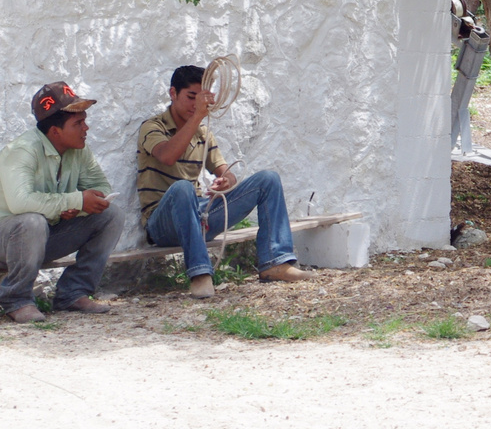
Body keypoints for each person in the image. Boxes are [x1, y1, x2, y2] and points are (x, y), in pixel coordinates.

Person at [138, 65, 312, 298]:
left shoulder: (203, 133)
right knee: (181, 189)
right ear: (173, 94)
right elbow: (168, 156)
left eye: (201, 99)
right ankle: (200, 273)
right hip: (162, 224)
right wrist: (198, 116)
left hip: (199, 216)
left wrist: (225, 181)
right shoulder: (152, 127)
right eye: (191, 97)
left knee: (268, 180)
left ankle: (275, 263)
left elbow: (226, 173)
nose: (196, 105)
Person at [0, 83, 124, 323]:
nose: (86, 128)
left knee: (112, 215)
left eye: (84, 121)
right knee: (31, 222)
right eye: (78, 124)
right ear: (55, 131)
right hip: (7, 240)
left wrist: (75, 208)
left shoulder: (79, 149)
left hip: (41, 238)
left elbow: (102, 188)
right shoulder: (22, 150)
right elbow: (20, 202)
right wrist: (75, 200)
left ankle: (73, 293)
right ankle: (16, 300)